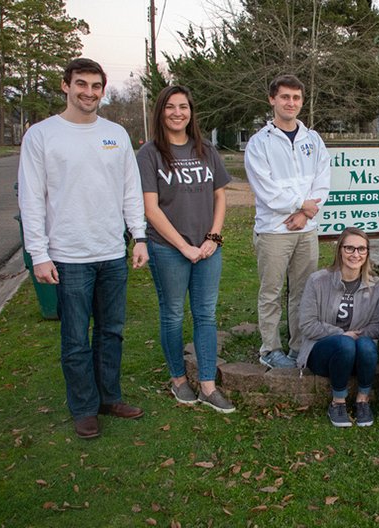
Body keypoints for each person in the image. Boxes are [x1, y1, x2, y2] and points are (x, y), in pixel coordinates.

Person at [18, 58, 148, 439]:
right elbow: (31, 199)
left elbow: (130, 191)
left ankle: (109, 398)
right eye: (81, 84)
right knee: (76, 338)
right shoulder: (42, 136)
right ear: (65, 86)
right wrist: (38, 254)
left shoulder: (116, 134)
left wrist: (138, 238)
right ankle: (84, 408)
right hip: (68, 255)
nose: (88, 92)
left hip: (111, 252)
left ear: (103, 91)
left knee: (111, 332)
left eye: (95, 86)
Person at [136, 85, 235, 413]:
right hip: (168, 249)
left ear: (191, 112)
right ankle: (179, 379)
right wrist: (184, 247)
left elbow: (220, 196)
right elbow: (151, 208)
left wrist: (213, 239)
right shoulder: (149, 154)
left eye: (183, 107)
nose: (177, 113)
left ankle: (207, 384)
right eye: (170, 107)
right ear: (160, 111)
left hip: (208, 249)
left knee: (206, 313)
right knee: (173, 313)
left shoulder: (206, 149)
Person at [245, 74, 331, 369]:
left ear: (302, 102)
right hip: (273, 231)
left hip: (306, 230)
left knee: (304, 291)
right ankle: (270, 349)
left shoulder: (313, 139)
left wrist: (306, 213)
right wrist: (297, 206)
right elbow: (265, 189)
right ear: (272, 99)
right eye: (284, 97)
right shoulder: (259, 143)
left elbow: (322, 181)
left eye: (296, 98)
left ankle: (298, 346)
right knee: (271, 292)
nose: (290, 103)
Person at [298, 228, 379, 427]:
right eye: (349, 248)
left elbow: (377, 326)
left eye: (361, 249)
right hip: (322, 352)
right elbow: (307, 324)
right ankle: (338, 403)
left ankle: (363, 401)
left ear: (367, 253)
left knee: (366, 345)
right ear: (339, 250)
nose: (356, 254)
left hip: (358, 354)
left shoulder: (376, 285)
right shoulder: (318, 281)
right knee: (345, 344)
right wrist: (342, 334)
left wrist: (356, 337)